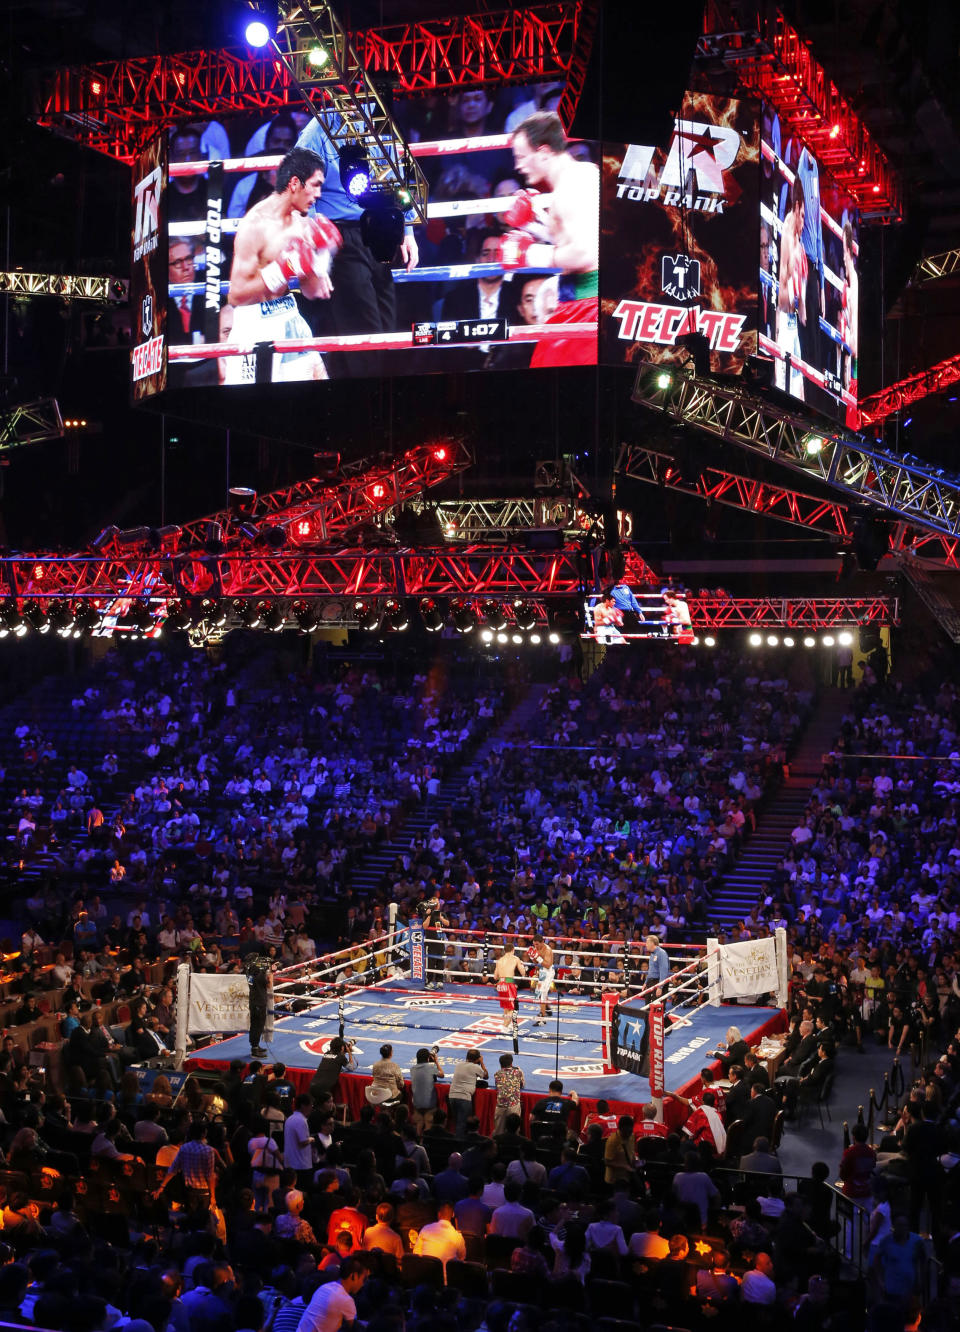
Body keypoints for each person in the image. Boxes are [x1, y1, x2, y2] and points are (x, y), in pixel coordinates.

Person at [295, 114, 419, 379]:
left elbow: (397, 175)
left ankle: (381, 404)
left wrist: (407, 228)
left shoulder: (379, 118)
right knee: (363, 331)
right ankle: (370, 406)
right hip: (339, 234)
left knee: (386, 328)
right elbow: (300, 183)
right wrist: (318, 242)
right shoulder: (318, 129)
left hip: (380, 228)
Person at [226, 145, 339, 384]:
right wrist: (282, 270)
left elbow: (313, 291)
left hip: (289, 314)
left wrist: (323, 256)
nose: (319, 194)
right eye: (315, 184)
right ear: (295, 183)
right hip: (253, 325)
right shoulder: (255, 225)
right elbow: (236, 296)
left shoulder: (303, 224)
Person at [495, 111, 598, 367]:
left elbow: (585, 252)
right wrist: (534, 222)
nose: (517, 166)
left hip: (588, 301)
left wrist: (528, 255)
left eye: (521, 157)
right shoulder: (579, 175)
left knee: (549, 380)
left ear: (543, 152)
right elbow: (572, 235)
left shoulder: (574, 185)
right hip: (579, 299)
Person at [775, 173, 807, 399]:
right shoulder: (787, 235)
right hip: (786, 319)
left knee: (798, 385)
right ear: (796, 208)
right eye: (803, 216)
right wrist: (797, 302)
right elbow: (783, 281)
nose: (804, 223)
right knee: (785, 386)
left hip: (793, 319)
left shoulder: (796, 236)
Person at [294, 1255, 368, 1332]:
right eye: (364, 1279)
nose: (363, 1284)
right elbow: (355, 1328)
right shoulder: (345, 1299)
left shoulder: (325, 1287)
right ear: (354, 1276)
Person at [413, 1200, 466, 1271]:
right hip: (447, 1279)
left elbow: (416, 1253)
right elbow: (462, 1258)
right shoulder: (457, 1236)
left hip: (425, 1277)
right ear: (452, 1215)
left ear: (439, 1214)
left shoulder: (425, 1229)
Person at [448, 1049, 487, 1138]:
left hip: (452, 1096)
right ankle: (460, 1148)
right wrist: (482, 1062)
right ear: (477, 1059)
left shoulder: (458, 1065)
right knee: (462, 1125)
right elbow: (486, 1076)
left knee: (457, 1123)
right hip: (464, 1098)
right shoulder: (475, 1067)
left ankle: (456, 1146)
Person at [409, 1046, 444, 1131]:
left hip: (416, 1102)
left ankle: (417, 1141)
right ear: (428, 1058)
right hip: (428, 1103)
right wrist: (436, 1061)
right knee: (428, 1122)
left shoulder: (412, 1069)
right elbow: (442, 1075)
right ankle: (424, 1142)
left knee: (419, 1123)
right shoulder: (431, 1067)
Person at [246, 953, 273, 1058]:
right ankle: (255, 1050)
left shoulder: (249, 971)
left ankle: (255, 1046)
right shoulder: (258, 973)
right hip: (259, 1002)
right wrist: (271, 973)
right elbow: (269, 985)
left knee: (255, 1025)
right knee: (258, 1026)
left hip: (254, 1000)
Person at [493, 942, 524, 1034]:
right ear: (513, 950)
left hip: (500, 984)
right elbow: (523, 973)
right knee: (512, 1008)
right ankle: (503, 1028)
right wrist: (522, 966)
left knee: (506, 1007)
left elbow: (495, 977)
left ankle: (508, 1024)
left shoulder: (499, 960)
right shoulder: (515, 958)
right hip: (509, 984)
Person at [493, 1052, 524, 1135]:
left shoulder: (497, 1074)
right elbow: (522, 1084)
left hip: (501, 1104)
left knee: (498, 1130)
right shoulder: (518, 1072)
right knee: (514, 1130)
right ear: (511, 1063)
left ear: (500, 1064)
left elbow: (497, 1085)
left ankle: (497, 1145)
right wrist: (519, 1070)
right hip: (513, 1104)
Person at [532, 936, 555, 1025]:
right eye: (534, 944)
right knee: (540, 993)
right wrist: (532, 957)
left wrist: (538, 958)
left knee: (542, 993)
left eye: (537, 944)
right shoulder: (536, 948)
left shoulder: (547, 950)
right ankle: (548, 1009)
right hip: (541, 972)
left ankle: (542, 1018)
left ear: (542, 942)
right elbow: (536, 964)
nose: (536, 946)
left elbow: (548, 965)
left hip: (548, 973)